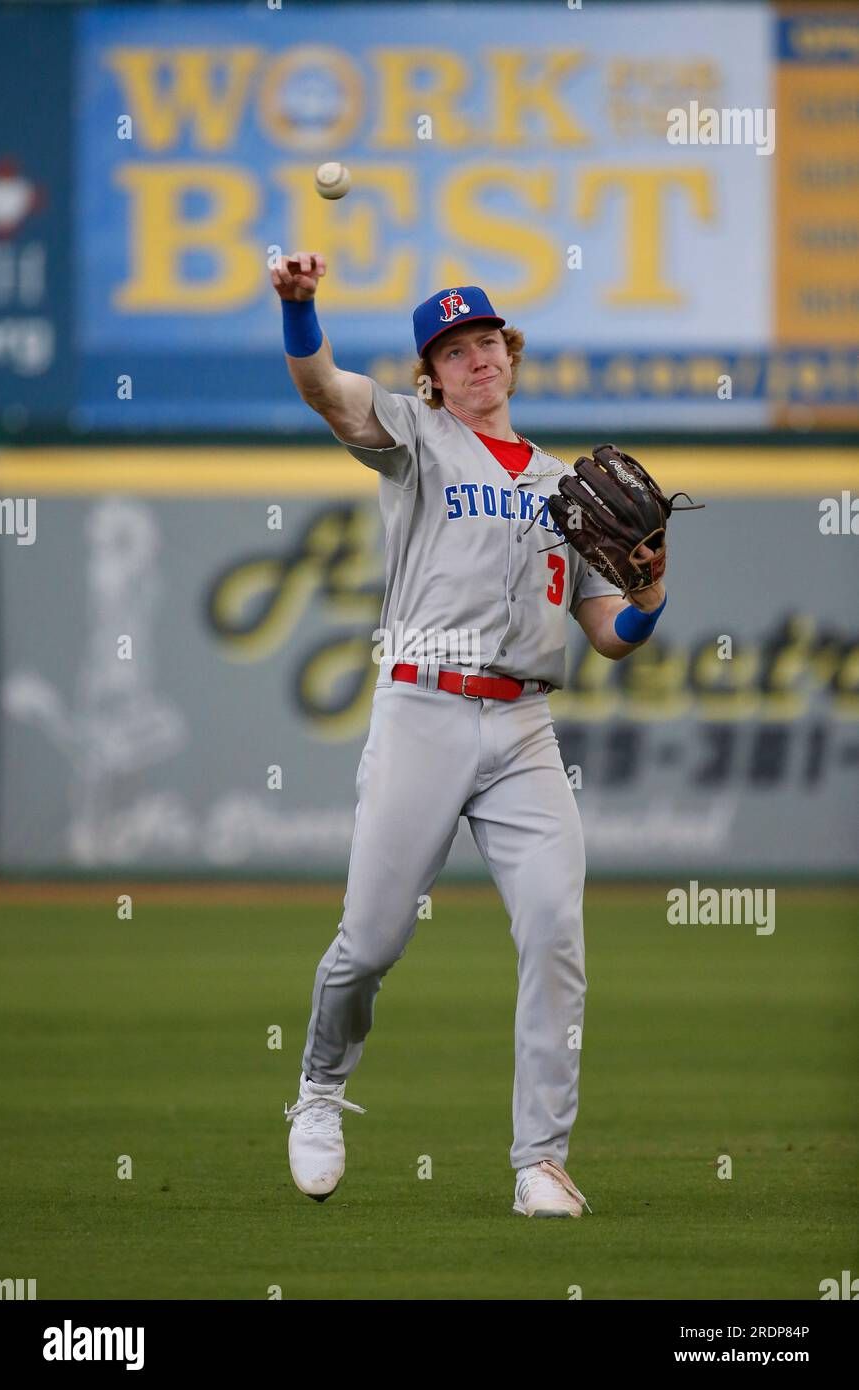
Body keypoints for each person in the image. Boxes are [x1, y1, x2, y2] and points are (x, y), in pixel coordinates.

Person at [272, 254, 667, 1218]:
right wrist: (301, 307)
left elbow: (612, 638)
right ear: (433, 376)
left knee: (555, 934)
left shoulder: (568, 492)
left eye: (486, 340)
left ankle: (541, 1161)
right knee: (368, 943)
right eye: (454, 349)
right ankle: (319, 1091)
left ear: (510, 354)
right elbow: (324, 387)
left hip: (524, 725)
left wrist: (652, 589)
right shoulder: (413, 437)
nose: (476, 358)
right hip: (423, 708)